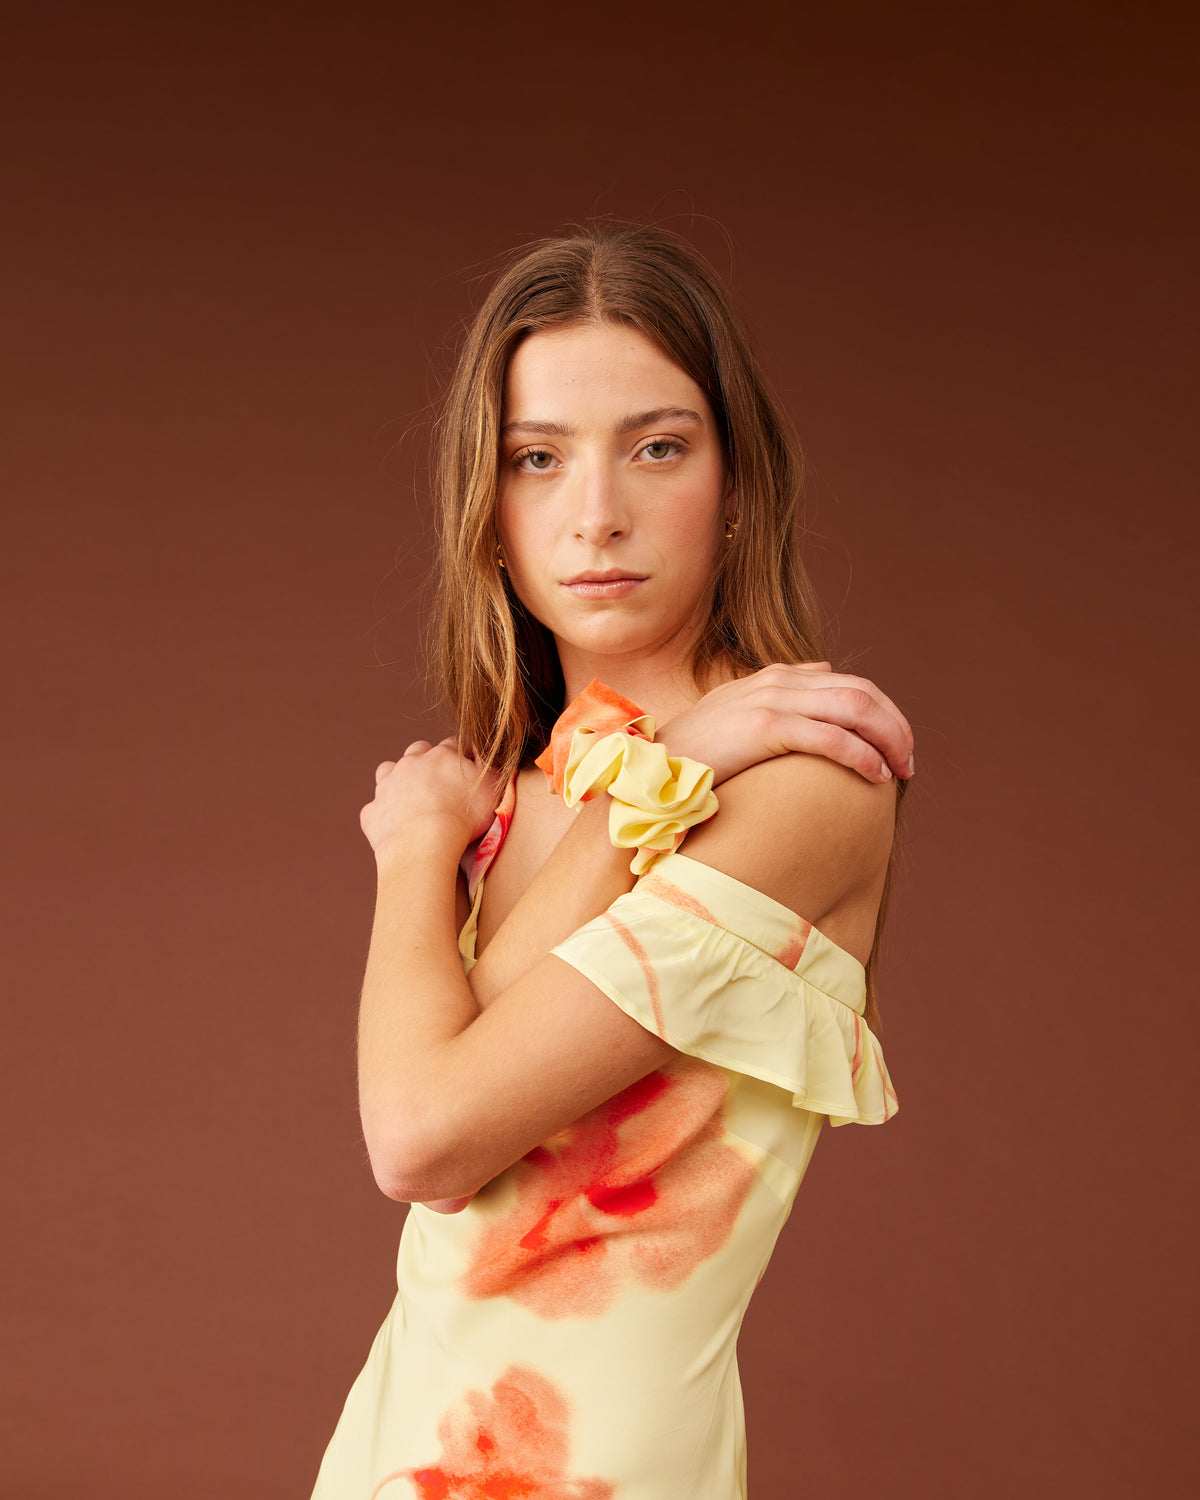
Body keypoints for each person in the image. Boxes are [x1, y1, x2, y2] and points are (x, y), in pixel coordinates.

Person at [310, 222, 913, 1498]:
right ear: (487, 509)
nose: (596, 515)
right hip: (391, 1445)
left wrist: (411, 857)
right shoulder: (512, 793)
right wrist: (651, 764)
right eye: (538, 459)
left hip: (604, 1468)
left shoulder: (805, 780)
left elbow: (421, 1137)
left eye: (657, 447)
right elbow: (447, 1110)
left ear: (737, 482)